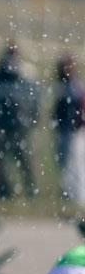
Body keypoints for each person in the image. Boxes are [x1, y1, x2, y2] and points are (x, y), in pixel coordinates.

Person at [0, 43, 40, 198]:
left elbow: (34, 101)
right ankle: (4, 191)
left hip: (21, 128)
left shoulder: (25, 76)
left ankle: (31, 191)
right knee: (1, 163)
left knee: (26, 161)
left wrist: (32, 121)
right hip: (3, 127)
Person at [53, 55, 85, 204]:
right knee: (66, 163)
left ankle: (78, 196)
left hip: (74, 131)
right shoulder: (63, 86)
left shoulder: (74, 86)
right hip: (66, 131)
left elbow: (78, 109)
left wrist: (77, 126)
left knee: (75, 163)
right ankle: (70, 194)